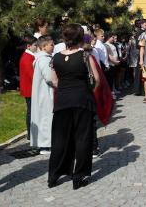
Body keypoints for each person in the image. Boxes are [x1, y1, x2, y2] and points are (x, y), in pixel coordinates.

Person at [48, 24, 100, 190]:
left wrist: (65, 90)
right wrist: (87, 90)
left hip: (62, 101)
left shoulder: (55, 57)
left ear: (64, 38)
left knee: (59, 139)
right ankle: (79, 176)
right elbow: (97, 79)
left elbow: (54, 81)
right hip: (82, 99)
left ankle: (54, 175)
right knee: (83, 138)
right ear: (80, 38)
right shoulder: (85, 56)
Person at [30, 36, 54, 154]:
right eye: (51, 45)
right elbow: (49, 77)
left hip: (44, 92)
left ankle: (46, 144)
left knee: (44, 117)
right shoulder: (44, 59)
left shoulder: (42, 58)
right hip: (45, 93)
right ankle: (45, 145)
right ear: (44, 47)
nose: (53, 47)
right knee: (46, 118)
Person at [19, 35, 37, 140]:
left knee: (31, 111)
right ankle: (30, 133)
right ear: (29, 46)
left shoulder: (29, 56)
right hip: (30, 90)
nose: (36, 47)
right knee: (31, 112)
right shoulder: (27, 58)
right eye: (35, 45)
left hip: (30, 88)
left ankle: (31, 133)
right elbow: (33, 75)